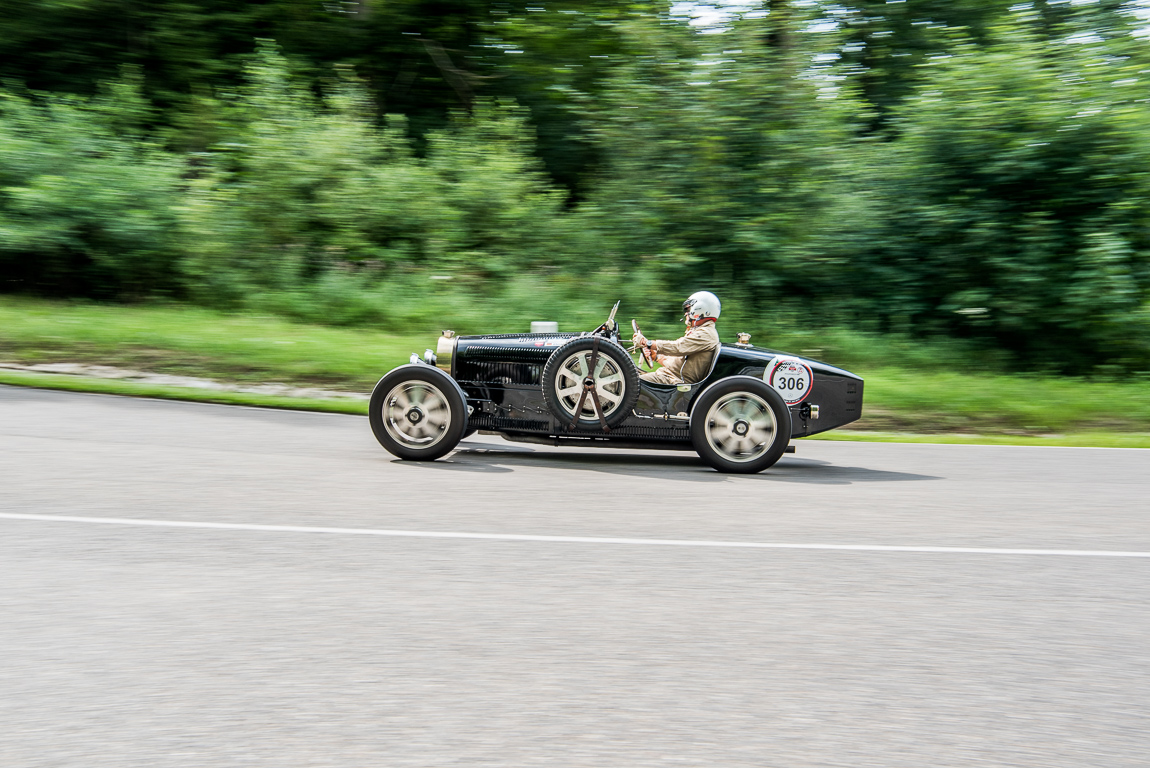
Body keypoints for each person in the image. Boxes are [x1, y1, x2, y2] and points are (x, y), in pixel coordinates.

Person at [632, 291, 721, 385]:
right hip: (668, 376)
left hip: (674, 381)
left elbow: (678, 347)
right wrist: (657, 356)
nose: (686, 313)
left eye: (688, 309)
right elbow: (679, 363)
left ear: (700, 309)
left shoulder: (706, 334)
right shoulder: (701, 331)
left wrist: (648, 343)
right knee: (630, 376)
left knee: (629, 385)